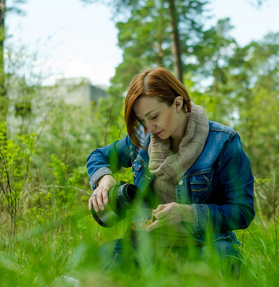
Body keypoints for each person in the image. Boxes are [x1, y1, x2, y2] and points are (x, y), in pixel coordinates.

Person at [86, 67, 255, 275]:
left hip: (205, 246)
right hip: (149, 246)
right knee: (104, 257)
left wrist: (189, 213)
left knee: (222, 263)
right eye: (142, 121)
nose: (148, 129)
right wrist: (104, 179)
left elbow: (243, 211)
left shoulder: (223, 142)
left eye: (153, 116)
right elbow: (98, 156)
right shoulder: (142, 140)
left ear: (178, 103)